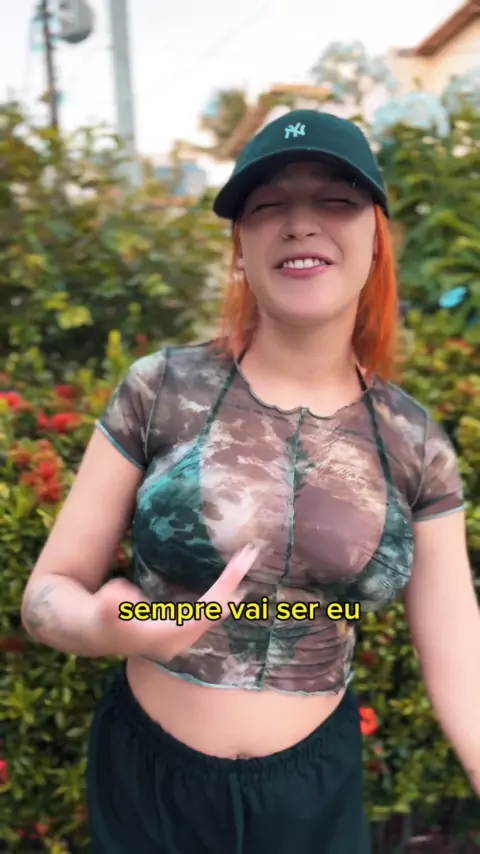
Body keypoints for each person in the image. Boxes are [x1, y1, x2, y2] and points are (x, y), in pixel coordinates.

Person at [21, 109, 480, 854]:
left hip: (315, 795)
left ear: (376, 236)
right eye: (268, 206)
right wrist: (111, 626)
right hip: (149, 787)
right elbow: (47, 596)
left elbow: (459, 646)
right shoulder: (160, 389)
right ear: (240, 245)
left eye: (336, 200)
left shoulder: (413, 440)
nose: (300, 223)